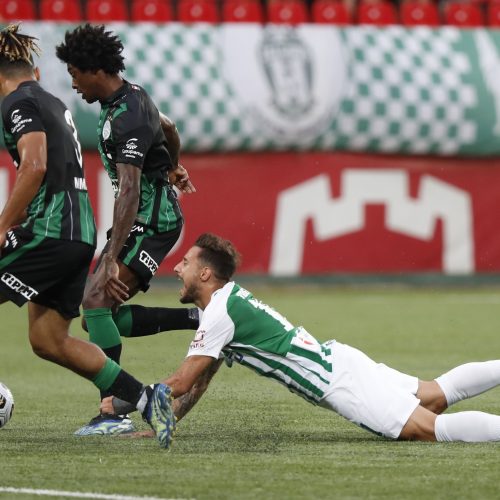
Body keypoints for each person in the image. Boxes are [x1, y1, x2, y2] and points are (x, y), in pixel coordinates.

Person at [104, 233, 500, 445]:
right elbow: (200, 381)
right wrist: (166, 423)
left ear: (206, 274)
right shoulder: (224, 306)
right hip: (340, 361)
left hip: (339, 381)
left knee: (427, 429)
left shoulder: (220, 313)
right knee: (432, 394)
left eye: (186, 263)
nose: (177, 268)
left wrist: (124, 397)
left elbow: (181, 381)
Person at [0, 24, 175, 449]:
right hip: (78, 235)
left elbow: (35, 166)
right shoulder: (52, 102)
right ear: (35, 70)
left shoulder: (17, 103)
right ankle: (144, 398)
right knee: (48, 339)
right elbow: (168, 126)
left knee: (78, 319)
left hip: (49, 229)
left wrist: (4, 225)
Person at [55, 24, 199, 436]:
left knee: (97, 302)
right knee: (99, 316)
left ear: (94, 69)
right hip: (142, 220)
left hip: (153, 221)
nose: (74, 84)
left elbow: (130, 190)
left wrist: (113, 259)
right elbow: (168, 127)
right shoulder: (130, 98)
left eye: (75, 75)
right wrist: (172, 164)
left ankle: (112, 412)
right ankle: (195, 317)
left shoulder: (128, 116)